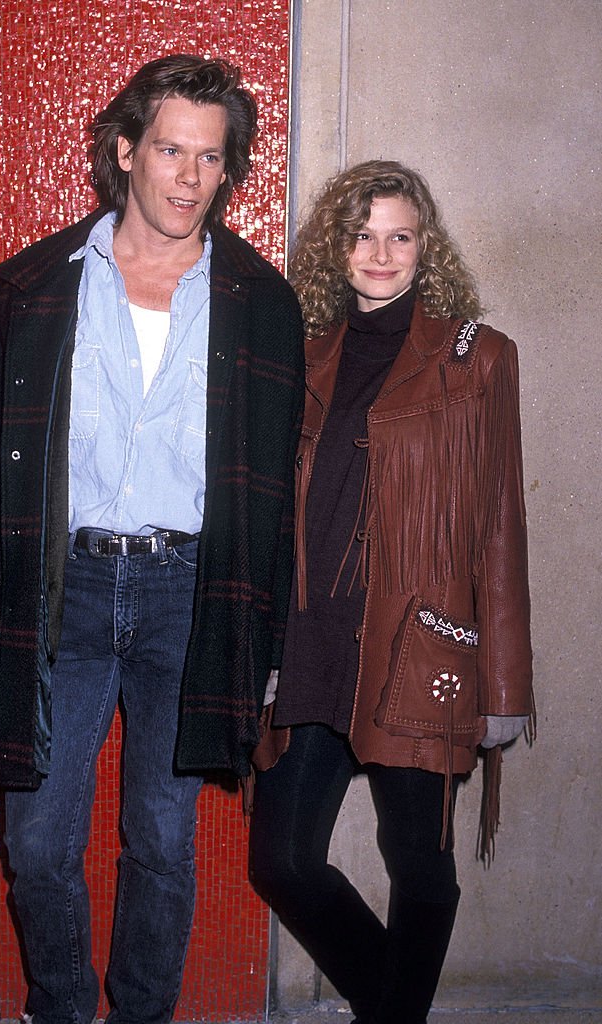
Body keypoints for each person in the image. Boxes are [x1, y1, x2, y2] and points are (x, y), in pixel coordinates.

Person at [0, 55, 303, 1024]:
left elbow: (275, 496)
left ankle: (142, 1014)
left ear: (227, 172)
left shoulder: (260, 307)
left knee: (161, 837)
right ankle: (60, 1006)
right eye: (171, 150)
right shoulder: (34, 291)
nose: (188, 176)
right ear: (126, 151)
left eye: (210, 158)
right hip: (64, 588)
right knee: (39, 841)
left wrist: (263, 640)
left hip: (192, 594)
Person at [248, 160, 533, 1024]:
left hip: (420, 644)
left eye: (398, 235)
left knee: (419, 862)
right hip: (312, 642)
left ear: (424, 246)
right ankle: (395, 1009)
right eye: (360, 234)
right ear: (335, 249)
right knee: (283, 860)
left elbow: (498, 523)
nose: (379, 253)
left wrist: (507, 687)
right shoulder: (300, 355)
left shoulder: (475, 357)